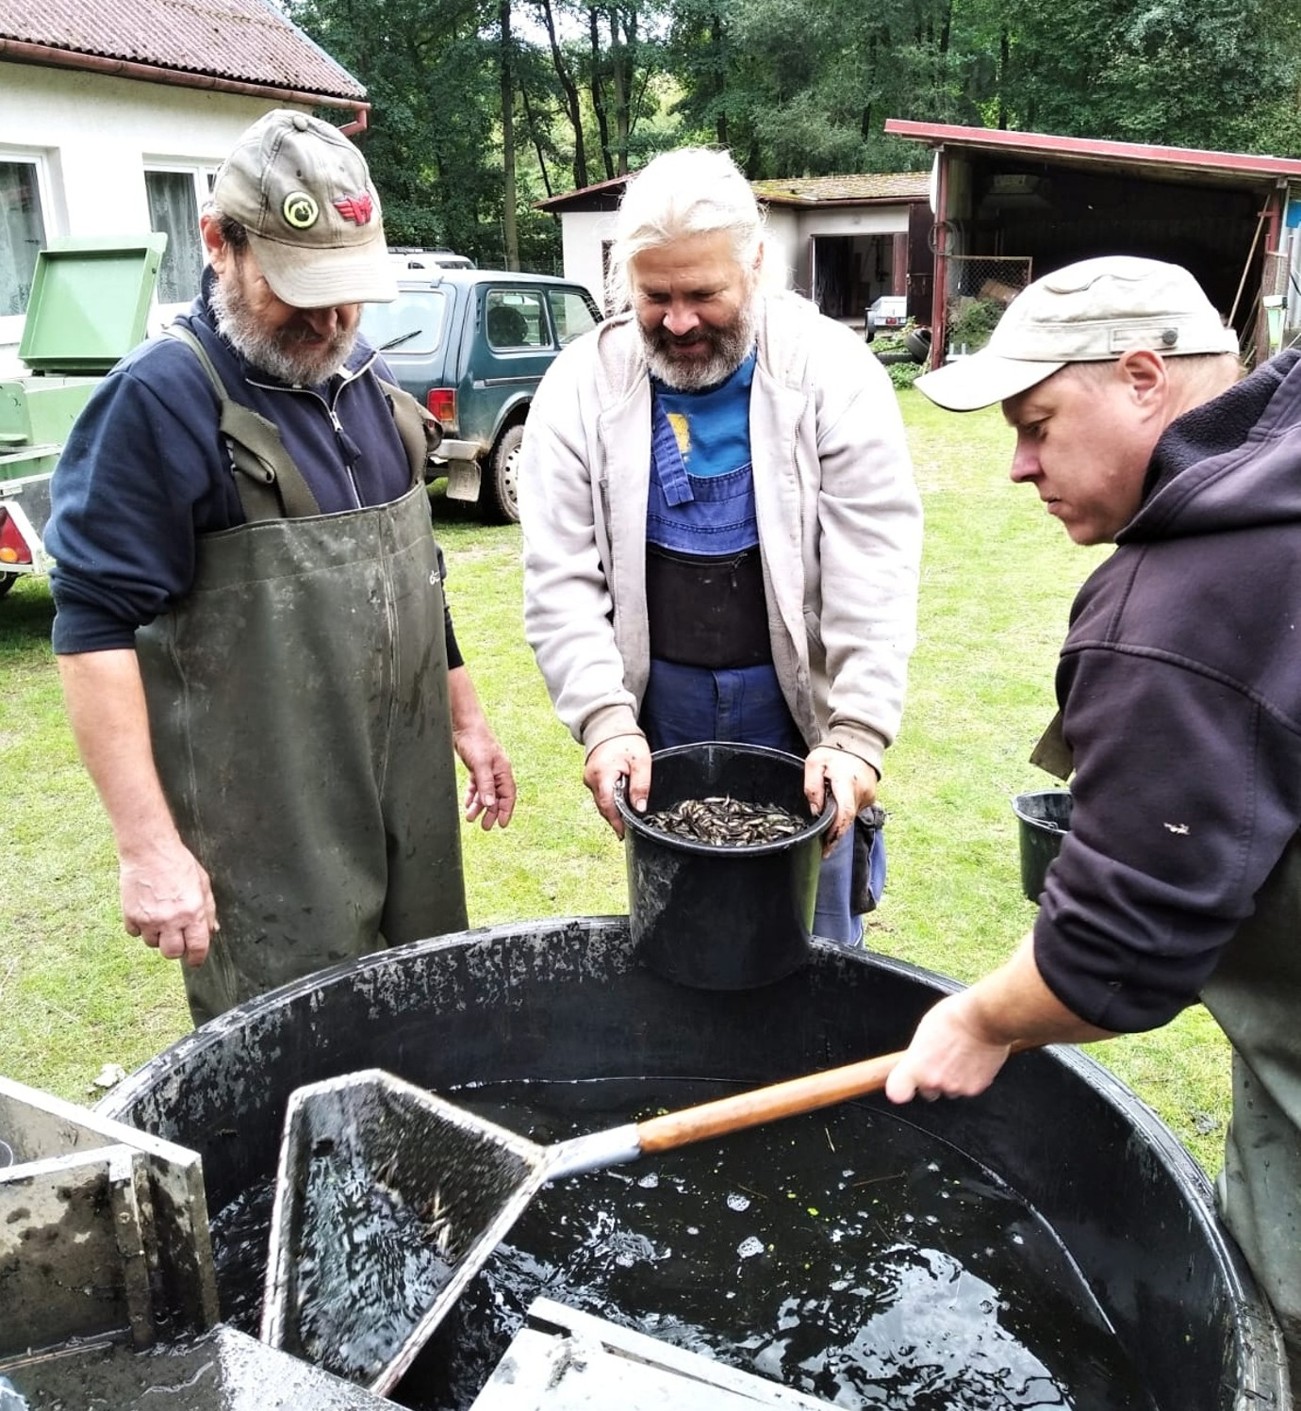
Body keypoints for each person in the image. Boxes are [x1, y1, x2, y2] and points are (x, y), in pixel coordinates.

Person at [888, 253, 1301, 1368]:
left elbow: (1114, 951)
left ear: (1139, 377)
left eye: (1036, 425)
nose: (1018, 465)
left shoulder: (1173, 613)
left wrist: (980, 1021)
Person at [45, 109, 515, 1025]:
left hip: (404, 795)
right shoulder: (159, 400)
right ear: (219, 243)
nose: (330, 319)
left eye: (348, 292)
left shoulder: (369, 380)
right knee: (298, 1044)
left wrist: (466, 717)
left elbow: (413, 570)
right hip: (265, 824)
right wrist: (147, 847)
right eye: (300, 288)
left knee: (425, 1015)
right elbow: (91, 624)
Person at [518, 147, 923, 945]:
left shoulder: (833, 375)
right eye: (654, 296)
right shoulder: (580, 387)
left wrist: (854, 737)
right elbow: (561, 579)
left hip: (798, 714)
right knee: (681, 939)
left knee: (813, 948)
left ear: (756, 267)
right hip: (658, 715)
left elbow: (872, 572)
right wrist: (605, 721)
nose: (677, 321)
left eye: (703, 294)